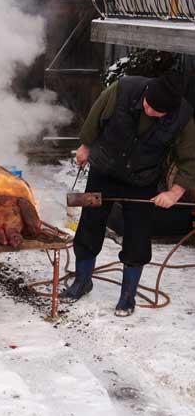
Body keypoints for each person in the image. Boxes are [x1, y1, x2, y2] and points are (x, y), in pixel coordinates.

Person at [60, 74, 195, 316]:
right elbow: (95, 118)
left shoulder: (182, 117)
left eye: (156, 110)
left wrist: (175, 192)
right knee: (90, 226)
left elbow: (189, 159)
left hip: (141, 181)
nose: (148, 109)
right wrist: (85, 145)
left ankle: (127, 296)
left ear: (170, 111)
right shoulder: (123, 89)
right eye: (147, 103)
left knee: (138, 237)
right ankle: (82, 282)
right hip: (103, 171)